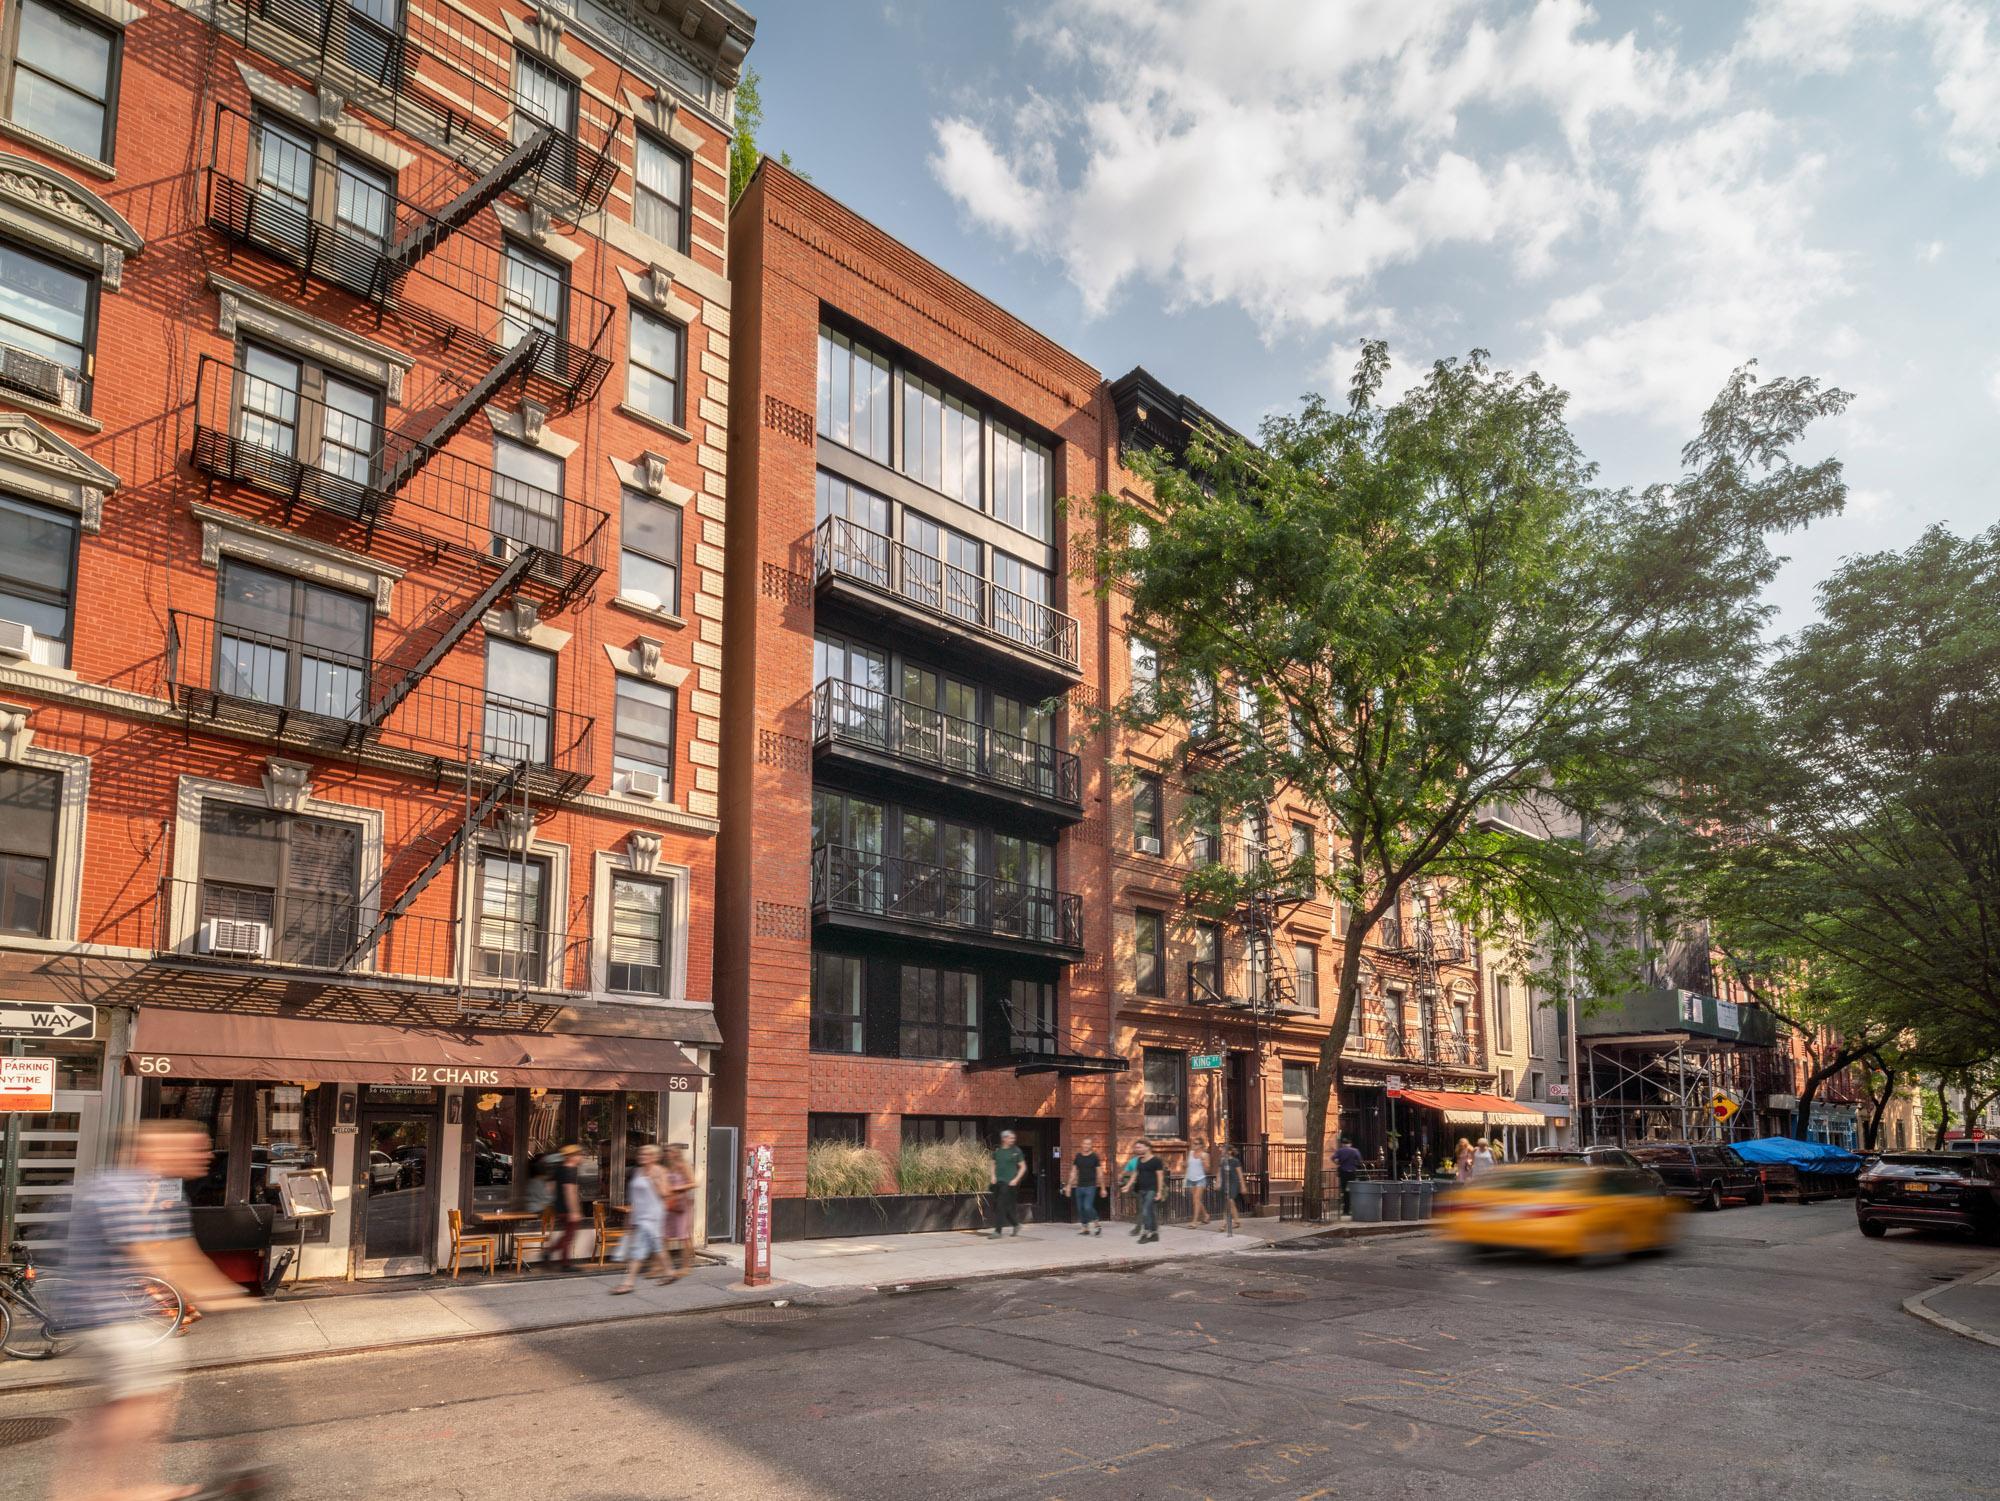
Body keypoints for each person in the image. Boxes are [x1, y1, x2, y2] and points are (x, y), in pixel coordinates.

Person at [54, 1118, 255, 1501]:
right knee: (137, 1404)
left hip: (131, 1314)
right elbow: (150, 1251)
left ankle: (113, 1486)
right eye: (194, 1148)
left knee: (138, 1402)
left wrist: (218, 1290)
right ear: (155, 1150)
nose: (206, 1155)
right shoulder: (123, 1189)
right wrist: (212, 1293)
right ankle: (99, 1491)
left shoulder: (162, 1189)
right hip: (111, 1315)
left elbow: (180, 1249)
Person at [611, 1144, 667, 1293]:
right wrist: (630, 1216)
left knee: (638, 1249)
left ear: (654, 1157)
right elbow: (634, 1196)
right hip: (640, 1214)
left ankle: (628, 1283)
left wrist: (654, 1180)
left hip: (652, 1215)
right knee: (655, 1245)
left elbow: (665, 1193)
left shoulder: (659, 1171)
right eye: (641, 1154)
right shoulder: (637, 1171)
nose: (642, 1157)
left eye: (646, 1154)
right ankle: (670, 1272)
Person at [540, 1142, 585, 1271]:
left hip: (558, 1207)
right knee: (569, 1237)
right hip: (568, 1209)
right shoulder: (570, 1170)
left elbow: (550, 1187)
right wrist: (574, 1211)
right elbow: (570, 1191)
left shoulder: (559, 1169)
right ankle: (564, 1263)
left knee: (567, 1235)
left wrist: (557, 1201)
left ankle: (552, 1255)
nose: (581, 1157)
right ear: (571, 1156)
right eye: (578, 1155)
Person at [660, 1143, 698, 1279]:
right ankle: (663, 1266)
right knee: (664, 1235)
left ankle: (685, 1266)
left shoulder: (683, 1165)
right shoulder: (668, 1167)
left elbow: (694, 1183)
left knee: (684, 1236)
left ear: (675, 1153)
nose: (667, 1154)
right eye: (666, 1152)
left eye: (669, 1151)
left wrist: (676, 1188)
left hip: (682, 1204)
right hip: (670, 1205)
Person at [1121, 1139, 1165, 1243]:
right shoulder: (1139, 1160)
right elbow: (1135, 1174)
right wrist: (1127, 1185)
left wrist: (1159, 1191)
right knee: (1150, 1212)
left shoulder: (1156, 1161)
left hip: (1152, 1190)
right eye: (1136, 1147)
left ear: (1147, 1147)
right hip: (1141, 1190)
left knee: (1145, 1211)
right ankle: (1154, 1234)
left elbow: (1160, 1176)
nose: (1137, 1149)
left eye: (1139, 1147)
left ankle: (1146, 1234)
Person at [989, 1130, 1027, 1238]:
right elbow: (992, 1164)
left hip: (1009, 1183)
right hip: (998, 1183)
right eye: (1010, 1138)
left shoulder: (1016, 1151)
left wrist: (1016, 1179)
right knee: (1000, 1207)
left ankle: (997, 1232)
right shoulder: (997, 1151)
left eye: (1013, 1138)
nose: (1013, 1140)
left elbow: (1023, 1167)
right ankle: (1016, 1224)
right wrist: (993, 1176)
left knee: (1001, 1205)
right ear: (1004, 1139)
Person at [1066, 1137, 1103, 1236]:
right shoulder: (1078, 1157)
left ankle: (1096, 1224)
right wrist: (1069, 1186)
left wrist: (1103, 1188)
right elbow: (1073, 1172)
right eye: (1085, 1143)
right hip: (1079, 1186)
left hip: (1090, 1186)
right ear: (1081, 1145)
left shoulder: (1094, 1157)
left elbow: (1100, 1173)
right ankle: (1085, 1229)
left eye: (1088, 1144)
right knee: (1080, 1208)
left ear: (1091, 1146)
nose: (1086, 1145)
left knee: (1087, 1206)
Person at [1216, 1143, 1245, 1235]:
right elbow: (1219, 1173)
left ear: (1229, 1151)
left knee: (1230, 1200)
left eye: (1223, 1149)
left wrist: (1243, 1186)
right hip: (1225, 1183)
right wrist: (1218, 1182)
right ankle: (1236, 1221)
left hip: (1233, 1183)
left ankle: (1225, 1223)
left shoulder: (1235, 1161)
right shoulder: (1222, 1161)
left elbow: (1240, 1174)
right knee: (1227, 1202)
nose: (1222, 1151)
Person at [1335, 1134, 1365, 1218]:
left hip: (1343, 1173)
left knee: (1344, 1191)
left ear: (1342, 1144)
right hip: (1352, 1173)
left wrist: (1338, 1162)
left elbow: (1334, 1158)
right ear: (1350, 1143)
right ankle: (1352, 1209)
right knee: (1352, 1191)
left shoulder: (1340, 1151)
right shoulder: (1355, 1151)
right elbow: (1360, 1161)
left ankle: (1345, 1210)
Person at [1186, 1140, 1211, 1226]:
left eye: (1196, 1144)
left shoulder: (1205, 1155)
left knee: (1196, 1199)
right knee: (1196, 1200)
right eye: (1193, 1143)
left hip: (1200, 1179)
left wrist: (1203, 1162)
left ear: (1201, 1145)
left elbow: (1207, 1170)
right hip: (1190, 1179)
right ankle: (1206, 1215)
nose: (1194, 1145)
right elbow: (1188, 1165)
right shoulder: (1190, 1153)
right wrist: (1183, 1164)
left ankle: (1194, 1222)